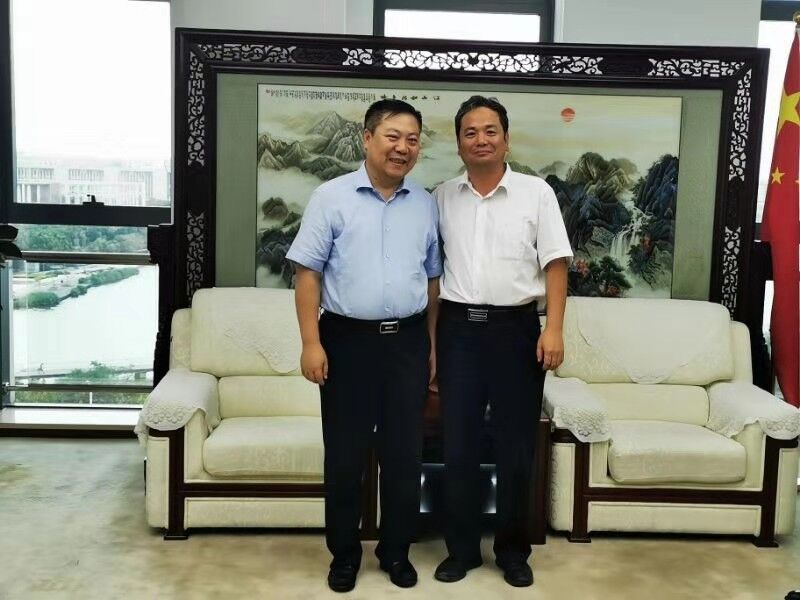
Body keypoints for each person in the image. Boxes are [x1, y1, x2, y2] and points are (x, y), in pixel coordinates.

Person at [286, 99, 442, 593]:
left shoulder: (425, 203)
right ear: (368, 138)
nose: (403, 148)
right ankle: (344, 555)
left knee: (404, 456)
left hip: (408, 343)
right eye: (393, 137)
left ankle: (396, 551)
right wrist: (311, 343)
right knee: (345, 457)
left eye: (412, 139)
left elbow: (432, 280)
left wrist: (431, 346)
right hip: (346, 343)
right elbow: (307, 274)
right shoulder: (330, 197)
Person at [432, 95, 572, 588]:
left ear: (506, 139)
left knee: (516, 446)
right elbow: (433, 277)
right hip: (458, 331)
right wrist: (433, 346)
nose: (481, 140)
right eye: (470, 132)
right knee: (459, 445)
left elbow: (556, 264)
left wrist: (553, 328)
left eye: (490, 131)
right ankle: (462, 550)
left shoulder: (537, 193)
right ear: (459, 143)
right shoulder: (442, 196)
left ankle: (513, 551)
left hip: (517, 331)